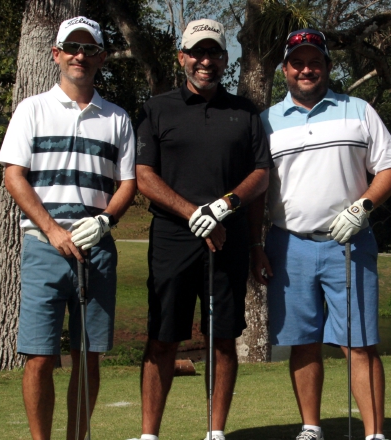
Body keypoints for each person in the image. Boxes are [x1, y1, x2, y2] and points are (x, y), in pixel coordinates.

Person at [251, 28, 391, 440]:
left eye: (314, 62)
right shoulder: (266, 122)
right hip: (288, 245)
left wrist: (363, 206)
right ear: (285, 68)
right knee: (302, 342)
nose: (306, 69)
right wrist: (256, 245)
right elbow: (257, 190)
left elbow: (390, 167)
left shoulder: (358, 110)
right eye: (297, 62)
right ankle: (311, 427)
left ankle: (374, 434)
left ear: (327, 67)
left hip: (349, 243)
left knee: (360, 343)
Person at [129, 18, 271, 440]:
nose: (205, 61)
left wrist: (224, 206)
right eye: (197, 52)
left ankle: (215, 432)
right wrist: (195, 214)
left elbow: (261, 174)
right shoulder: (157, 109)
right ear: (182, 58)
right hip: (174, 237)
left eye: (213, 53)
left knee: (223, 339)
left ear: (225, 59)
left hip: (228, 238)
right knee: (162, 338)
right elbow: (144, 176)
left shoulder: (245, 112)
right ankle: (149, 434)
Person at [0, 16, 136, 440]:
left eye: (89, 49)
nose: (80, 56)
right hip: (43, 247)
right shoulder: (32, 109)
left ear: (101, 57)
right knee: (39, 357)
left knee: (88, 354)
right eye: (72, 48)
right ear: (56, 54)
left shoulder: (117, 118)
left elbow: (128, 182)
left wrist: (104, 220)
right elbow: (14, 175)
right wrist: (54, 230)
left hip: (97, 249)